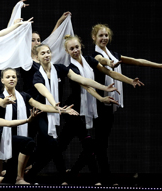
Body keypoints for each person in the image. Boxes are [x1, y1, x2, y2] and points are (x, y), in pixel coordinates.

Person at [89, 24, 162, 185]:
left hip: (110, 103)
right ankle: (103, 178)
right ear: (94, 37)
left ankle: (94, 176)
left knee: (100, 143)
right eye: (101, 35)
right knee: (100, 143)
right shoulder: (94, 55)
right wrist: (110, 63)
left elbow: (137, 61)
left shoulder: (114, 55)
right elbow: (102, 60)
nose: (104, 38)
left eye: (106, 35)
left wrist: (160, 65)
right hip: (101, 102)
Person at [53, 34, 143, 185]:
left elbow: (109, 72)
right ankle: (83, 178)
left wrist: (129, 81)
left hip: (86, 109)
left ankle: (70, 176)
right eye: (72, 49)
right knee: (87, 145)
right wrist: (101, 97)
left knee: (63, 145)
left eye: (77, 47)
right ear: (67, 51)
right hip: (74, 110)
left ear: (80, 46)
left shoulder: (89, 60)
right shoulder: (69, 67)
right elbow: (86, 84)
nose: (75, 50)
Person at [24, 43, 118, 183]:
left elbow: (82, 79)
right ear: (37, 57)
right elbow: (44, 91)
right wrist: (55, 104)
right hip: (41, 112)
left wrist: (104, 87)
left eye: (48, 52)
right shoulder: (37, 75)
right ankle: (52, 176)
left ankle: (35, 174)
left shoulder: (60, 69)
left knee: (52, 147)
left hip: (58, 110)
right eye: (42, 53)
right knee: (51, 144)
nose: (46, 55)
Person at [0, 68, 79, 184]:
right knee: (29, 143)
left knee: (9, 178)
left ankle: (15, 175)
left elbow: (41, 106)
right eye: (8, 77)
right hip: (5, 138)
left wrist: (61, 110)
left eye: (13, 77)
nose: (11, 79)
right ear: (2, 80)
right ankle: (20, 178)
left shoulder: (23, 96)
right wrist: (4, 102)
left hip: (20, 138)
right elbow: (0, 102)